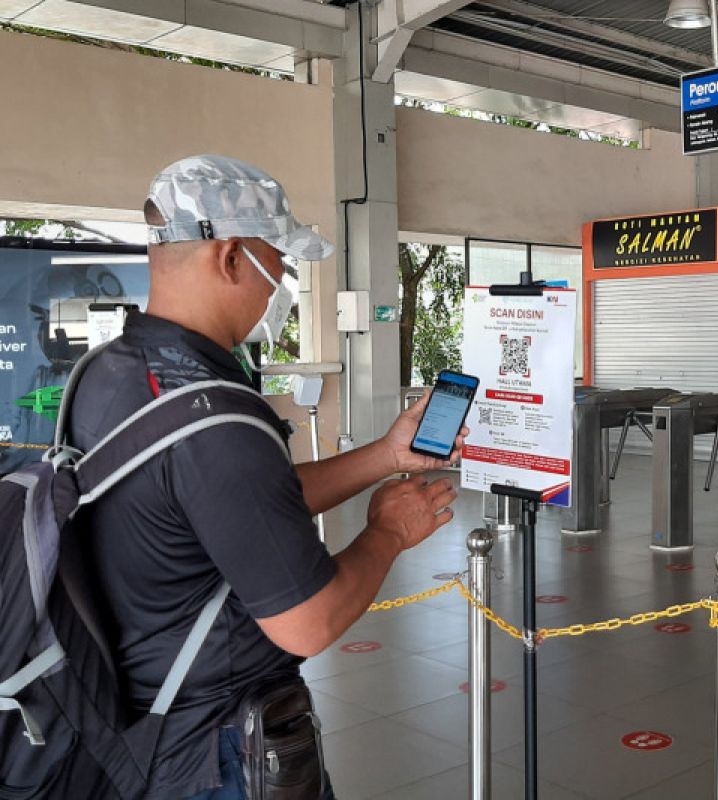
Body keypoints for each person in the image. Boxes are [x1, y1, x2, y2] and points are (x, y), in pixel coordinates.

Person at [66, 155, 462, 799]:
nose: (280, 280)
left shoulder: (108, 372)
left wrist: (385, 456)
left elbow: (235, 511)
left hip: (138, 727)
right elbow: (308, 623)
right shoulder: (217, 418)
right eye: (276, 261)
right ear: (229, 258)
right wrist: (388, 532)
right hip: (220, 749)